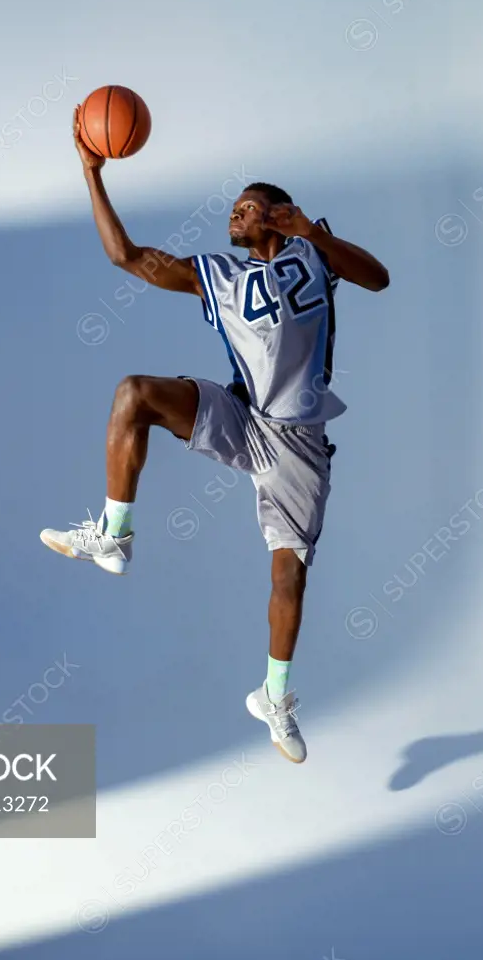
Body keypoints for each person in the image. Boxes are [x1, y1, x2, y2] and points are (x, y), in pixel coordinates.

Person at [40, 107, 390, 763]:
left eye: (247, 206)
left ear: (278, 214)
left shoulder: (316, 255)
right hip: (242, 415)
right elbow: (126, 256)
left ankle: (275, 698)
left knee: (288, 580)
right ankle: (115, 536)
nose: (234, 215)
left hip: (298, 443)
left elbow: (379, 277)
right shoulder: (219, 275)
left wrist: (309, 229)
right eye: (232, 208)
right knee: (133, 393)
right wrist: (92, 174)